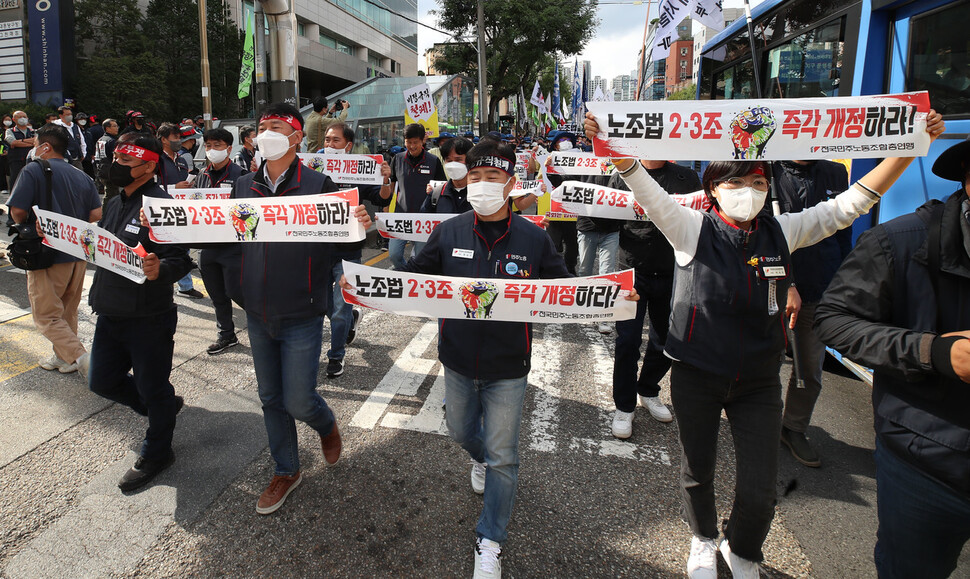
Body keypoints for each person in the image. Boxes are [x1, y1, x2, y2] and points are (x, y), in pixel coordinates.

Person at [585, 109, 944, 579]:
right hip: (697, 374)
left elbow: (851, 204)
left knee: (759, 488)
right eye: (733, 184)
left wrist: (906, 147)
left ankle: (744, 549)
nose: (746, 193)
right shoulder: (689, 227)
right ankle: (702, 539)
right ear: (712, 191)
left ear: (768, 188)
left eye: (756, 182)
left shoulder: (784, 231)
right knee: (698, 471)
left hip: (758, 381)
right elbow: (646, 191)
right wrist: (612, 147)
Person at [343, 139, 610, 579]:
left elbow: (566, 291)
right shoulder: (448, 232)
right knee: (460, 429)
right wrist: (363, 283)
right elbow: (415, 276)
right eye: (476, 176)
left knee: (504, 455)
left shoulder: (534, 238)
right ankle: (480, 456)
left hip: (509, 366)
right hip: (459, 360)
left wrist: (612, 295)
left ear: (511, 183)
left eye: (493, 177)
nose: (483, 184)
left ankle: (491, 539)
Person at [814, 133, 969, 579]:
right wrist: (934, 352)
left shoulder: (829, 176)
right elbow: (837, 320)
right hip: (927, 462)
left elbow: (841, 213)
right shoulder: (900, 243)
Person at [232, 103, 371, 515]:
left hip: (303, 311)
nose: (265, 133)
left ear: (295, 136)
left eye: (275, 126)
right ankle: (285, 470)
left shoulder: (319, 184)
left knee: (298, 399)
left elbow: (344, 246)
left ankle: (326, 426)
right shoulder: (243, 186)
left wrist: (361, 222)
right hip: (257, 312)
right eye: (261, 127)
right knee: (270, 397)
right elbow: (224, 244)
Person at [87, 134, 194, 492]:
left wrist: (157, 270)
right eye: (115, 158)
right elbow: (101, 247)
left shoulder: (162, 205)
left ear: (149, 166)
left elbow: (180, 260)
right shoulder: (115, 201)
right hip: (109, 310)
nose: (115, 166)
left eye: (125, 162)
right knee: (101, 381)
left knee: (152, 387)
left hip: (148, 316)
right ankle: (161, 409)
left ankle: (158, 450)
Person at [611, 159, 702, 439]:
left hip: (674, 271)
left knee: (666, 339)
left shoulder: (687, 178)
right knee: (627, 341)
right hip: (630, 272)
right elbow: (603, 221)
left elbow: (700, 222)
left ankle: (648, 389)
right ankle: (624, 406)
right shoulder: (621, 175)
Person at [769, 159, 849, 467]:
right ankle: (756, 421)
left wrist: (844, 279)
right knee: (764, 361)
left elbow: (843, 231)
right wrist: (786, 282)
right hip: (770, 287)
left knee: (810, 367)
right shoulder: (765, 169)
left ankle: (793, 427)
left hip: (819, 286)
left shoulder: (834, 172)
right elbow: (759, 234)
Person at [6, 125, 102, 374]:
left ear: (45, 147)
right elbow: (95, 214)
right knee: (67, 309)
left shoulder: (34, 170)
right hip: (78, 253)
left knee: (46, 316)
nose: (33, 148)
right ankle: (63, 358)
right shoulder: (82, 175)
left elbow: (17, 211)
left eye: (36, 143)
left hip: (47, 253)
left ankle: (81, 358)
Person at [318, 122, 380, 378]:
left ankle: (335, 356)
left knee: (340, 312)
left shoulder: (360, 171)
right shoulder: (312, 169)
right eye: (327, 140)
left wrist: (385, 179)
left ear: (348, 145)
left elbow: (381, 197)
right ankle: (351, 320)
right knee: (324, 305)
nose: (329, 145)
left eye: (335, 141)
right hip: (319, 251)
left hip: (349, 252)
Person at [194, 128, 248, 355]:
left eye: (217, 145)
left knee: (239, 291)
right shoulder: (201, 175)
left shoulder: (241, 175)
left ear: (228, 148)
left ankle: (270, 324)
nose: (212, 150)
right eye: (208, 146)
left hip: (233, 245)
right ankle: (226, 334)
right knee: (217, 294)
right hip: (208, 245)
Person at [379, 123, 446, 269]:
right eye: (408, 142)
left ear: (423, 141)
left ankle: (412, 276)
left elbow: (442, 188)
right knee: (394, 255)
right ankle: (407, 270)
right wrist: (386, 207)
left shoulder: (433, 162)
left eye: (415, 142)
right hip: (401, 218)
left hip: (424, 219)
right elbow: (391, 187)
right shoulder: (397, 159)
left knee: (420, 258)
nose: (412, 146)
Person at [156, 123, 201, 299]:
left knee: (182, 249)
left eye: (179, 138)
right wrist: (175, 187)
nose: (178, 141)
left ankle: (185, 286)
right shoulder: (156, 161)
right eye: (175, 138)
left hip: (181, 210)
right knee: (163, 250)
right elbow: (151, 186)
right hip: (161, 210)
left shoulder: (181, 159)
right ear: (164, 140)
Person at [421, 136, 473, 214]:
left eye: (458, 160)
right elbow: (424, 220)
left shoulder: (479, 193)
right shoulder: (436, 194)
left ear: (470, 160)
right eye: (449, 160)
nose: (453, 164)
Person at [5, 111, 35, 190]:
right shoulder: (10, 131)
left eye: (24, 117)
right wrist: (30, 142)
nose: (23, 119)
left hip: (31, 159)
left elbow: (37, 142)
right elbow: (13, 142)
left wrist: (20, 141)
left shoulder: (33, 131)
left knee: (31, 180)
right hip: (16, 160)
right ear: (14, 119)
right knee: (16, 180)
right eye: (20, 117)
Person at [95, 119, 121, 200]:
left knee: (110, 193)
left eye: (117, 126)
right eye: (114, 126)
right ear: (107, 128)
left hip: (102, 169)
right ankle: (107, 212)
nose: (117, 128)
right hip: (110, 171)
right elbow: (116, 156)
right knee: (112, 196)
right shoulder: (112, 141)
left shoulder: (101, 139)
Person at [76, 112, 96, 178]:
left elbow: (91, 143)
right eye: (81, 119)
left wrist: (93, 154)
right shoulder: (74, 130)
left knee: (90, 174)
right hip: (80, 157)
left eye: (84, 119)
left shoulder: (88, 131)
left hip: (89, 157)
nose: (83, 121)